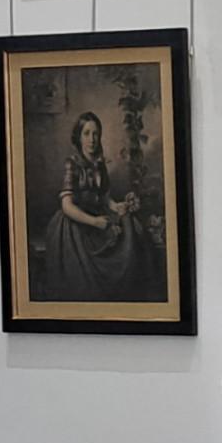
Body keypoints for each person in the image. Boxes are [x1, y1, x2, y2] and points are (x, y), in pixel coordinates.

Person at [36, 110, 143, 303]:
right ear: (79, 137)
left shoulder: (100, 164)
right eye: (86, 133)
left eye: (95, 134)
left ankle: (123, 289)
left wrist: (119, 206)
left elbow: (105, 199)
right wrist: (94, 222)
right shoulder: (72, 164)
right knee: (83, 270)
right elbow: (67, 205)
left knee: (130, 223)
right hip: (76, 221)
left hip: (98, 215)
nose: (91, 139)